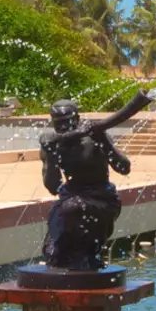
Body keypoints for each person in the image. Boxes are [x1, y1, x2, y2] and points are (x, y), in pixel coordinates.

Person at [38, 98, 131, 271]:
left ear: (77, 119)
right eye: (58, 123)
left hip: (102, 198)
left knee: (73, 209)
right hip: (69, 200)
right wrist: (50, 156)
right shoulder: (53, 144)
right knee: (52, 253)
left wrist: (103, 140)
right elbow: (53, 187)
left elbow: (124, 168)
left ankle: (87, 256)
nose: (63, 127)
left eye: (67, 122)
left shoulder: (93, 138)